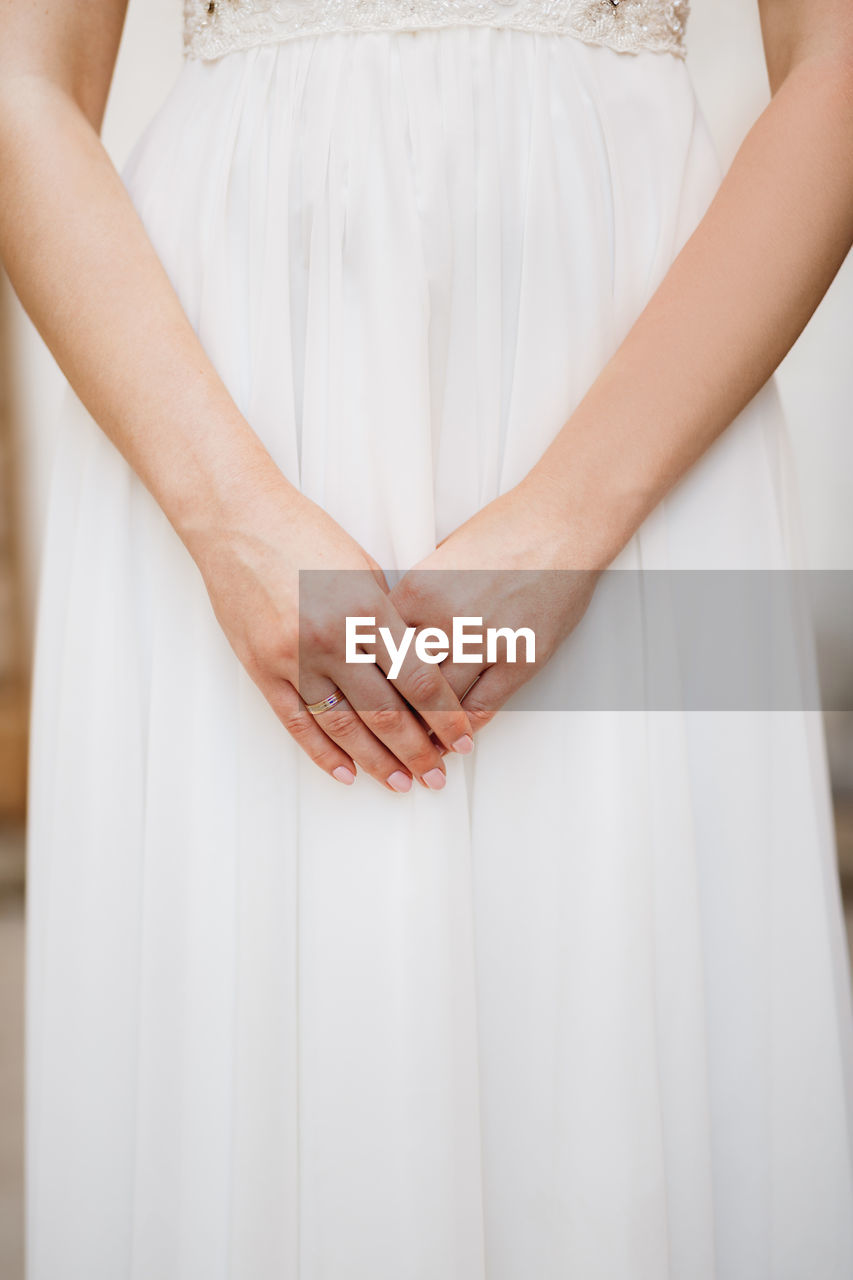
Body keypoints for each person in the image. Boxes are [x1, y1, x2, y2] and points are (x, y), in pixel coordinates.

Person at [2, 0, 852, 1275]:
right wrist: (228, 513)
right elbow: (18, 76)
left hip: (644, 392)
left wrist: (576, 516)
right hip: (220, 413)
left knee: (617, 1044)